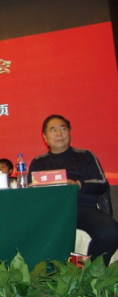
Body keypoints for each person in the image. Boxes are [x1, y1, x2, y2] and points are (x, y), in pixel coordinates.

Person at [28, 114, 118, 266]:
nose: (59, 133)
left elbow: (102, 183)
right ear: (45, 136)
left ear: (69, 132)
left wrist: (77, 184)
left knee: (111, 232)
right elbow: (31, 194)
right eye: (53, 130)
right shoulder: (38, 162)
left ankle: (90, 271)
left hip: (83, 209)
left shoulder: (85, 156)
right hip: (52, 212)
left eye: (63, 129)